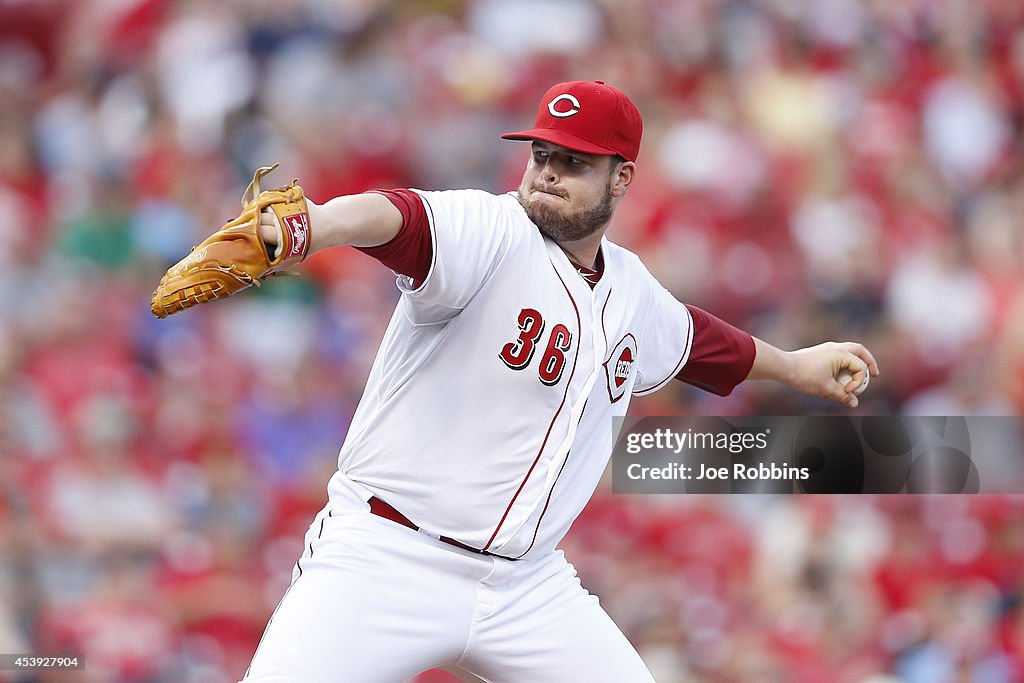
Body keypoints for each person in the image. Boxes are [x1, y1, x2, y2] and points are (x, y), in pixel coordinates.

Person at [240, 80, 878, 682]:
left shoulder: (631, 288)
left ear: (621, 178)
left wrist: (795, 366)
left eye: (574, 162)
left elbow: (701, 340)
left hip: (524, 586)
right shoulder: (492, 231)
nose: (547, 171)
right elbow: (401, 217)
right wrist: (315, 225)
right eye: (541, 154)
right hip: (388, 553)